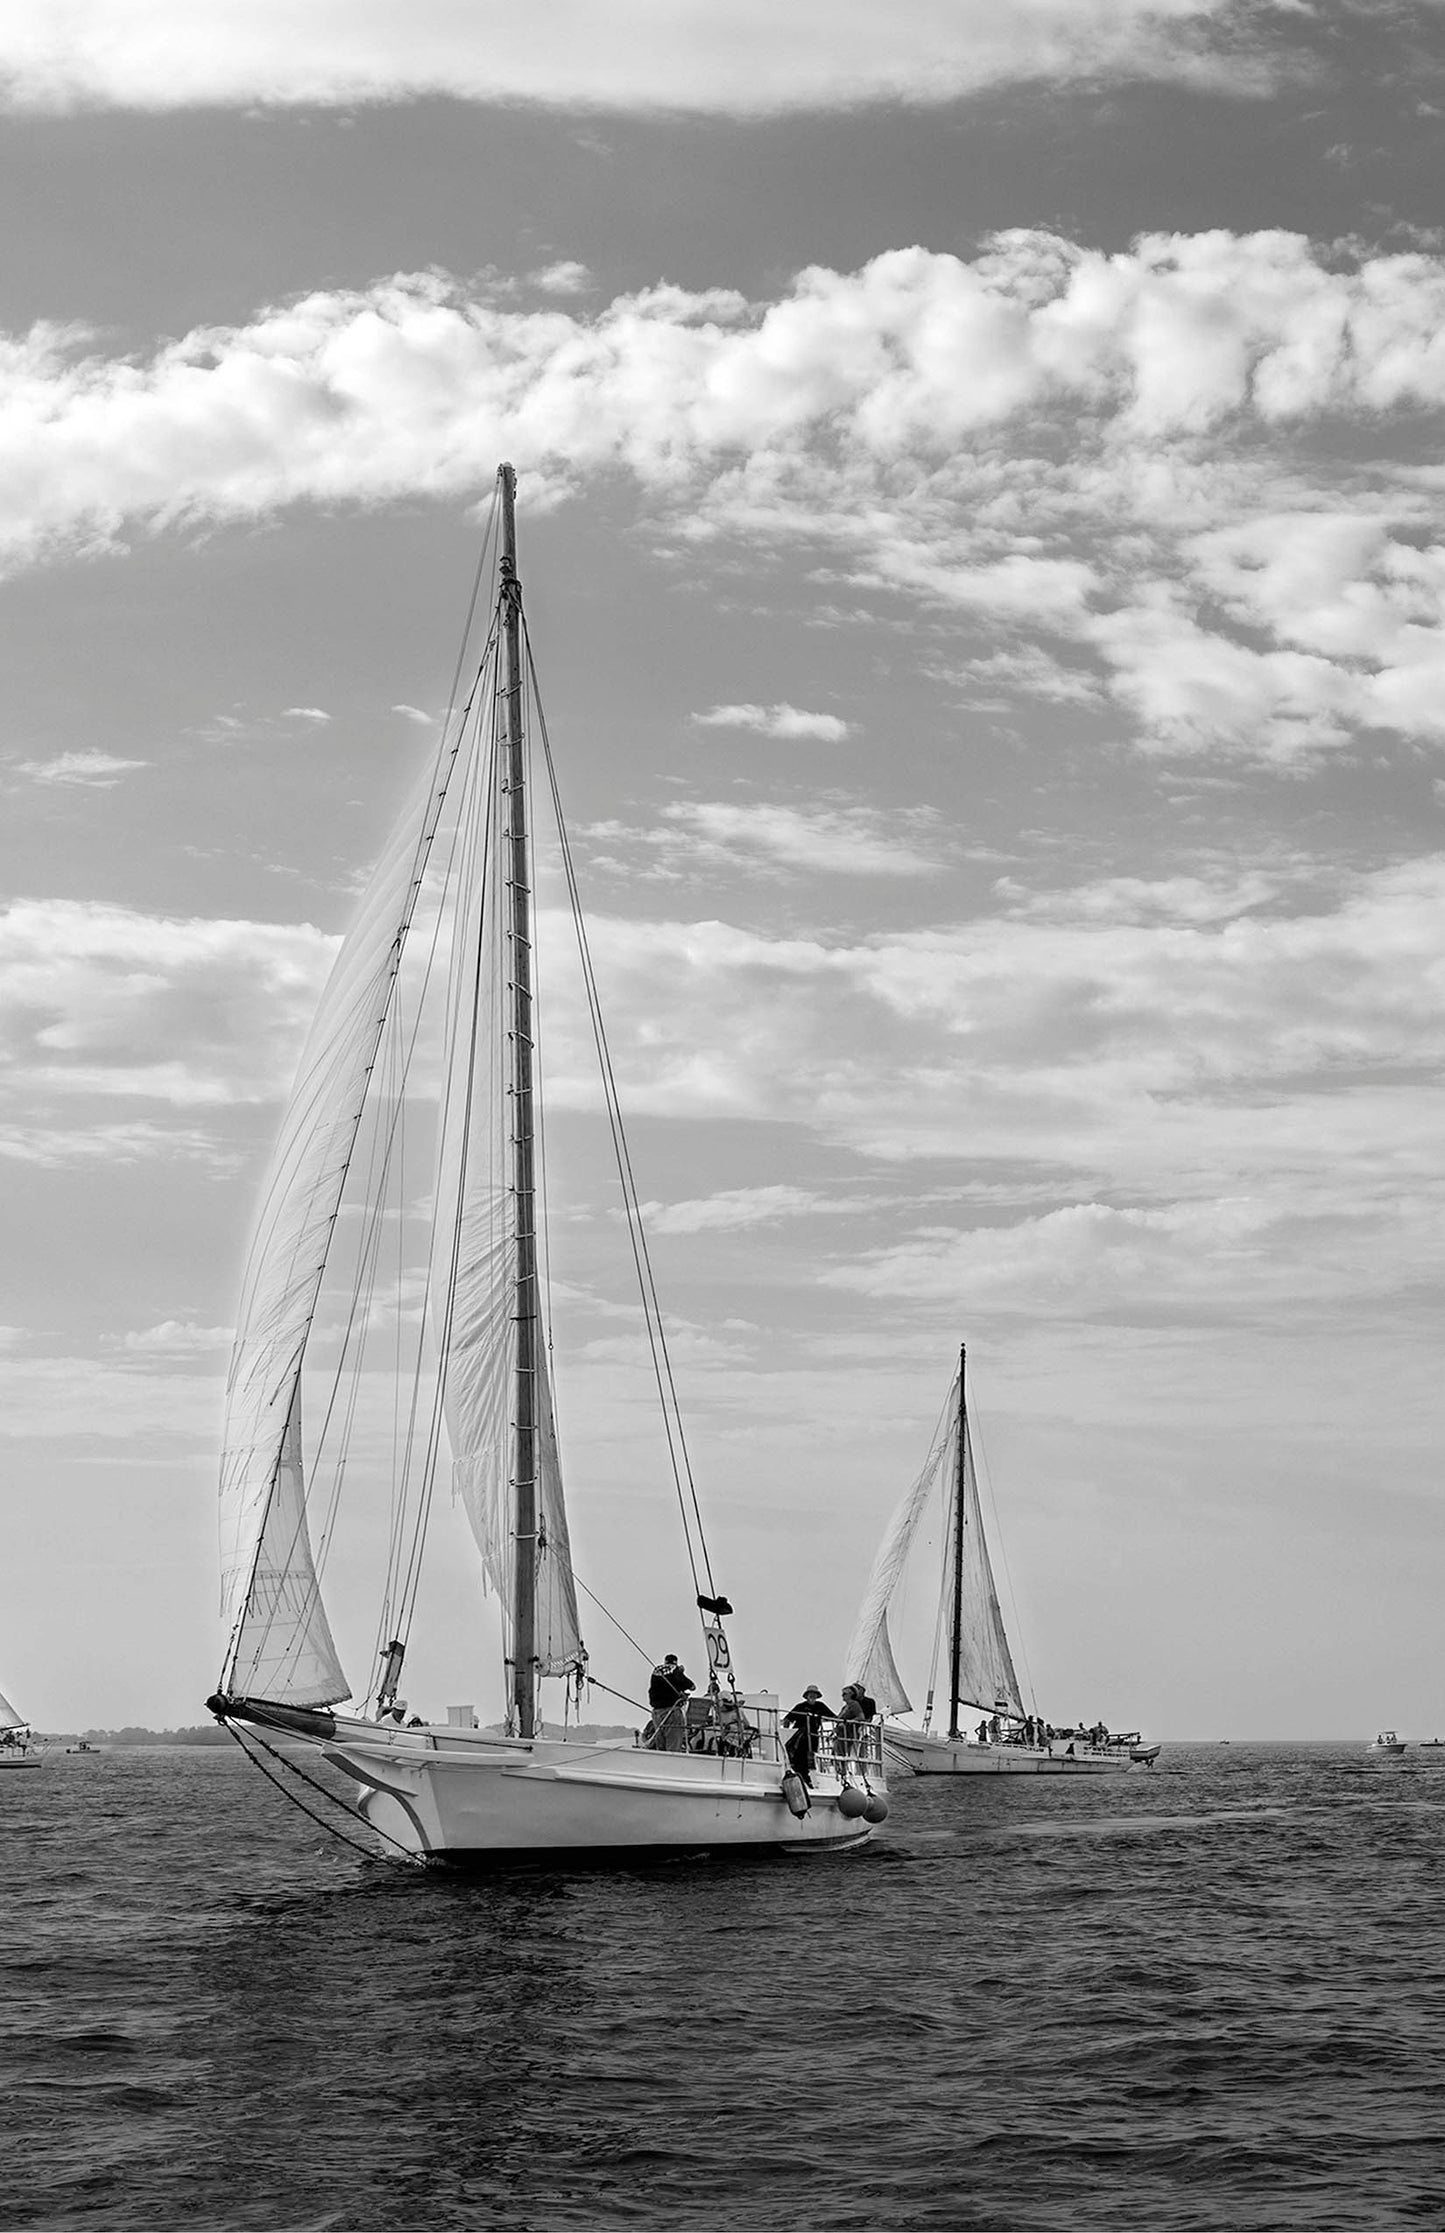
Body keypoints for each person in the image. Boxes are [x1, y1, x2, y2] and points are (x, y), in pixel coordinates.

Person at [783, 1686, 834, 1781]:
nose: (812, 1696)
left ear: (817, 1696)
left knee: (812, 1753)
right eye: (810, 1694)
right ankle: (802, 1772)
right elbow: (788, 1719)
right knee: (799, 1754)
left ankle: (809, 1774)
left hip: (813, 1734)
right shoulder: (800, 1706)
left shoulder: (820, 1706)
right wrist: (786, 1734)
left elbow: (833, 1716)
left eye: (814, 1694)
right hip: (800, 1735)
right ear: (806, 1696)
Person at [646, 1653, 694, 1751]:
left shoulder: (656, 1670)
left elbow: (663, 1687)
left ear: (665, 1661)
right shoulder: (675, 1669)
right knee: (673, 1745)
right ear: (676, 1662)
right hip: (671, 1711)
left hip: (657, 1712)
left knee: (661, 1745)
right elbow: (692, 1686)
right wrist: (681, 1673)